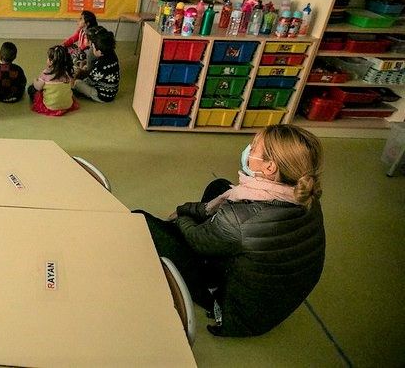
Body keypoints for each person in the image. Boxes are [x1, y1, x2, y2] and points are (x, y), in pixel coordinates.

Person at [133, 124, 326, 337]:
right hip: (271, 301)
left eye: (254, 147)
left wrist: (182, 215)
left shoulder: (239, 220)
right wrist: (190, 211)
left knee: (141, 220)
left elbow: (197, 239)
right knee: (220, 187)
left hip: (237, 311)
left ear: (270, 167)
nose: (248, 150)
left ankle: (210, 292)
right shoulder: (305, 197)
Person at [28, 45, 78, 116]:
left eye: (48, 58)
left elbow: (38, 87)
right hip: (68, 105)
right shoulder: (67, 73)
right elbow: (72, 85)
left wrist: (35, 81)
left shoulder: (46, 73)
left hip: (51, 106)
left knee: (31, 89)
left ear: (51, 61)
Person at [73, 29, 120, 103]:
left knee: (77, 83)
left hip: (102, 96)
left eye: (93, 47)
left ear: (100, 52)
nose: (92, 49)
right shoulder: (113, 55)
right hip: (112, 91)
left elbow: (90, 81)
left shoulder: (99, 66)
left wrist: (79, 74)